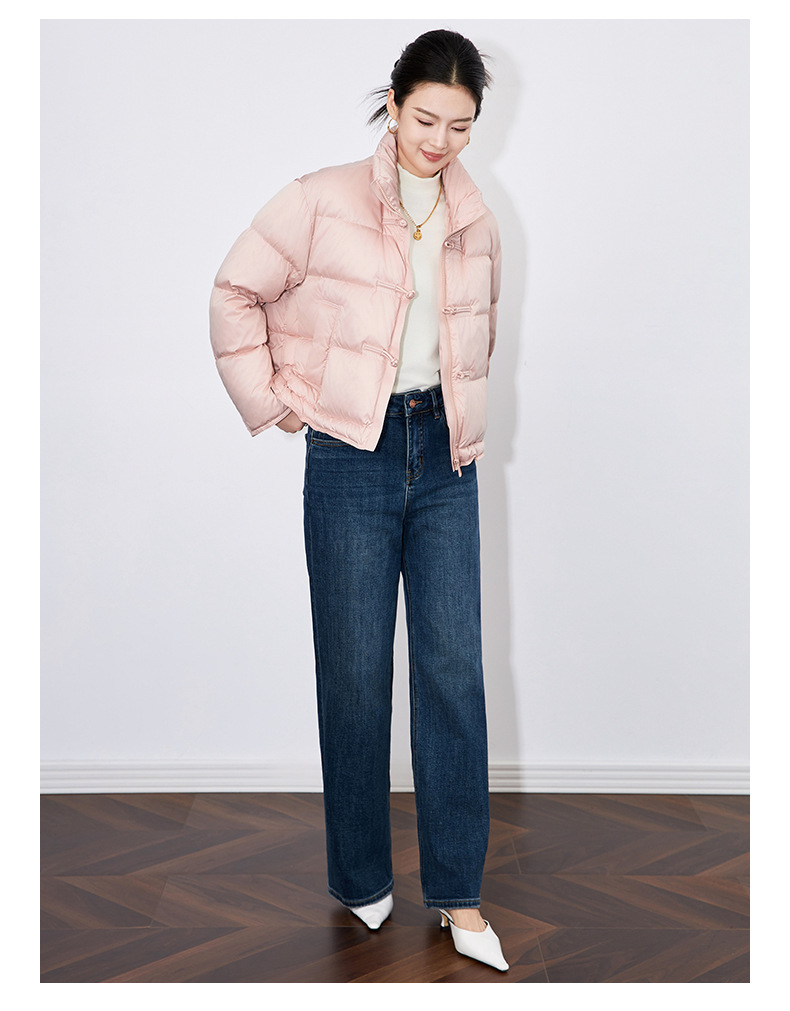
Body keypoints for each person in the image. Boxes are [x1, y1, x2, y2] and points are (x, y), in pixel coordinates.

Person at [209, 29, 507, 972]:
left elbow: (475, 337)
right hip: (351, 457)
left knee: (453, 673)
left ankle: (458, 892)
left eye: (461, 126)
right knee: (354, 671)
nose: (441, 141)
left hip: (445, 461)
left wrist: (458, 420)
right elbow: (233, 292)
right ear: (392, 101)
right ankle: (361, 877)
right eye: (426, 119)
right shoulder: (321, 198)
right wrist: (277, 402)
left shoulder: (478, 220)